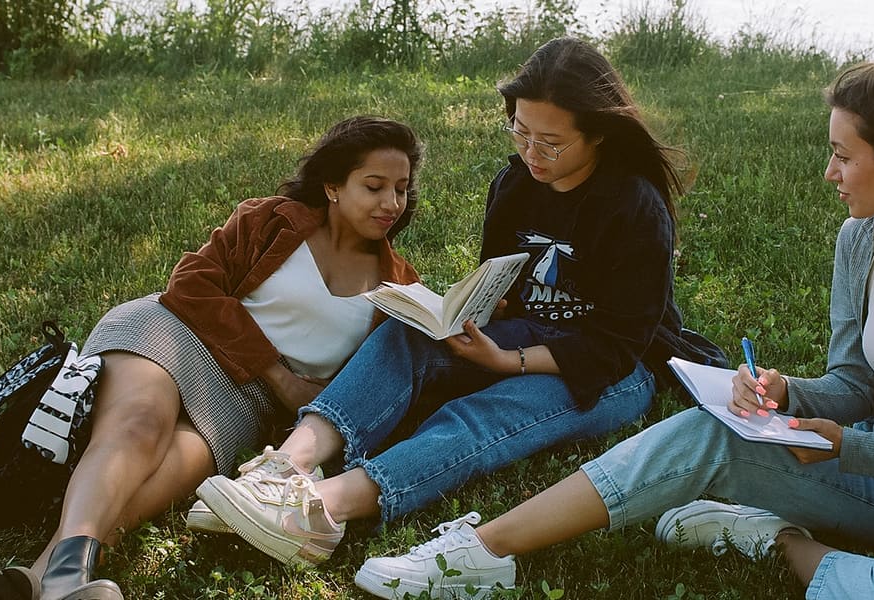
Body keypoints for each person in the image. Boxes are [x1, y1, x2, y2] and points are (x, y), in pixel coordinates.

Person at [351, 59, 874, 600]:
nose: (829, 173)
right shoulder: (862, 242)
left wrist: (847, 445)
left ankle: (777, 538)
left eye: (841, 154)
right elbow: (858, 383)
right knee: (703, 432)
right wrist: (785, 391)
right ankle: (480, 551)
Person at [193, 37, 726, 570]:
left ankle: (324, 512)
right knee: (404, 335)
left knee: (484, 413)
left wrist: (506, 362)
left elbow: (615, 346)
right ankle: (283, 469)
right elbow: (500, 286)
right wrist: (458, 322)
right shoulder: (516, 184)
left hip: (617, 367)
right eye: (520, 130)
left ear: (598, 134)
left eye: (551, 142)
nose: (531, 153)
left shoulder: (635, 206)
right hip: (523, 333)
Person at [0, 116, 424, 600]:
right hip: (176, 333)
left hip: (242, 404)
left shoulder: (399, 285)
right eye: (374, 187)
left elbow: (392, 375)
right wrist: (279, 376)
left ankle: (44, 577)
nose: (391, 203)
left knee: (168, 476)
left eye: (400, 189)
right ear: (333, 185)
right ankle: (64, 575)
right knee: (139, 426)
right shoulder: (271, 221)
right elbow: (190, 284)